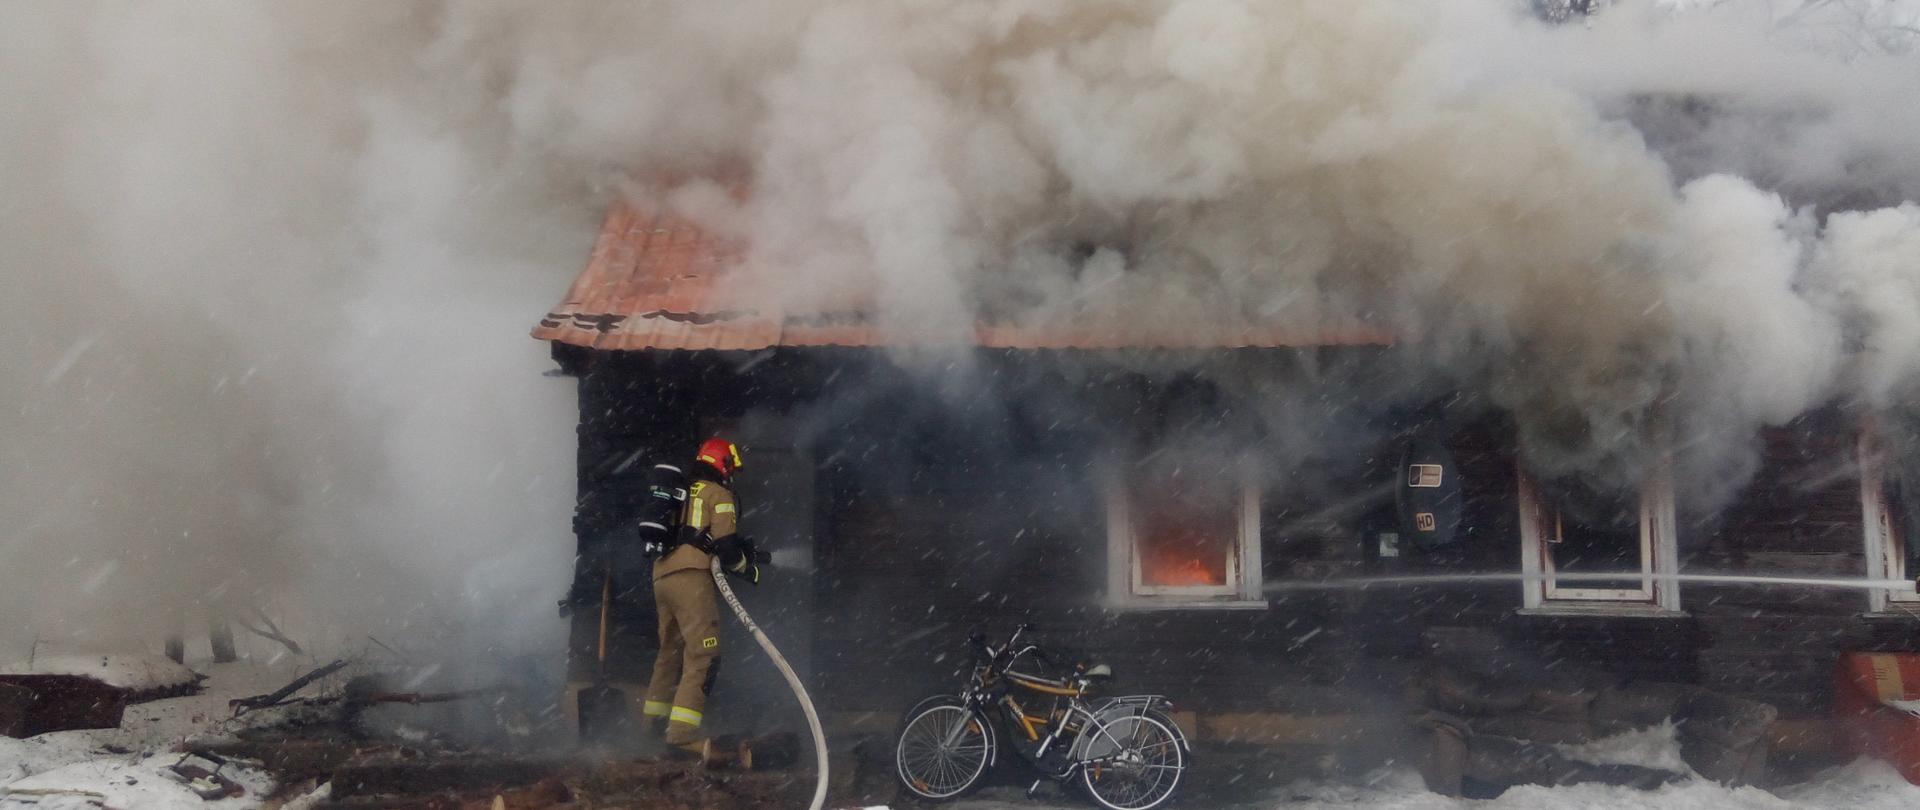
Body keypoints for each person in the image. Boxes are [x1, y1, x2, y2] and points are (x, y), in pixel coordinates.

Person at [643, 437, 760, 755]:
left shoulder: (680, 493)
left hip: (662, 575)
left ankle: (652, 728)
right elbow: (726, 547)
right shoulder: (718, 494)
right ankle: (680, 736)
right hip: (691, 578)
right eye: (730, 467)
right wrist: (748, 568)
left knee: (669, 653)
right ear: (722, 464)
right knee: (704, 655)